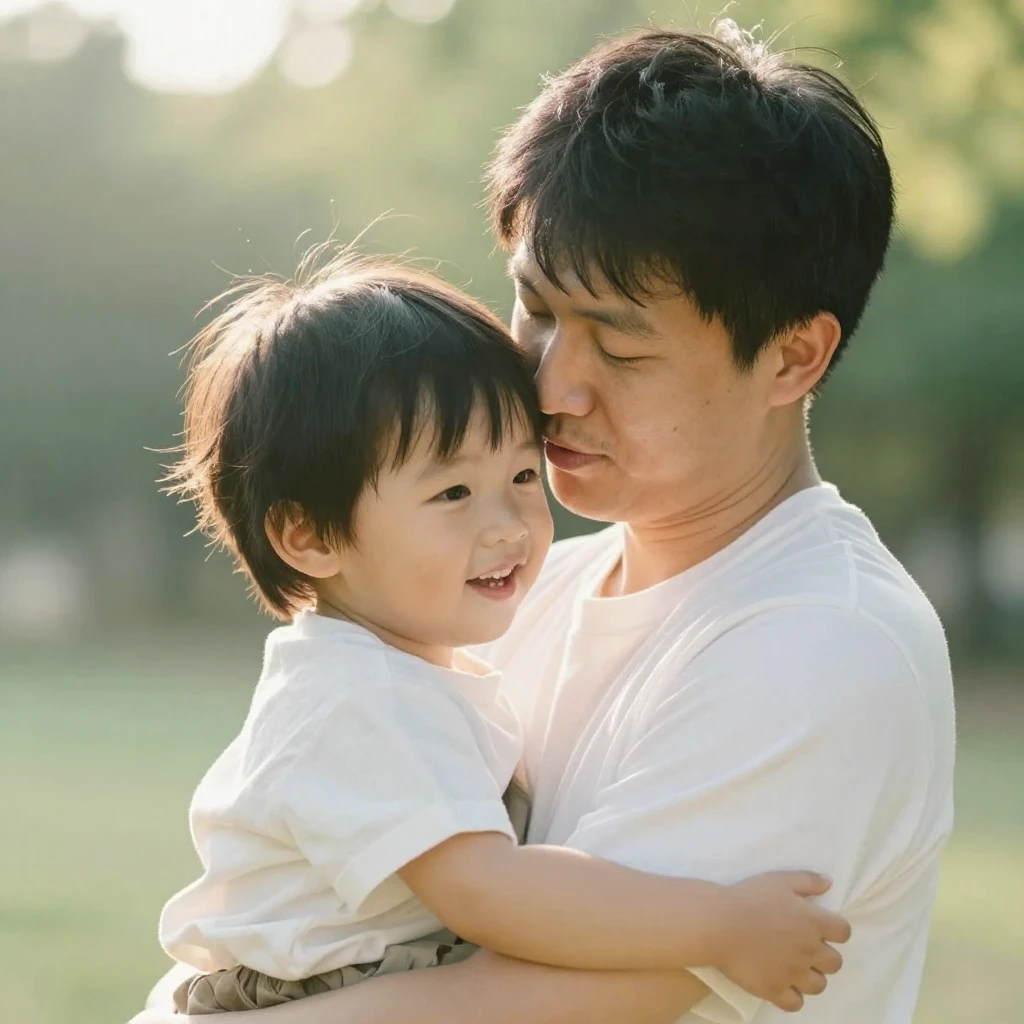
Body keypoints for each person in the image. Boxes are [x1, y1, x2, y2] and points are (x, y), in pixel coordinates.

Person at [135, 19, 955, 1024]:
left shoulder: (822, 643)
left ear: (791, 357)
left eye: (618, 343)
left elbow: (554, 1001)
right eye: (536, 309)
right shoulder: (518, 594)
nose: (551, 383)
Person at [153, 254, 848, 1016]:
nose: (509, 525)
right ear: (310, 535)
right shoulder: (358, 700)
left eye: (521, 476)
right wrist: (721, 926)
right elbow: (494, 894)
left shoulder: (409, 671)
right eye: (452, 492)